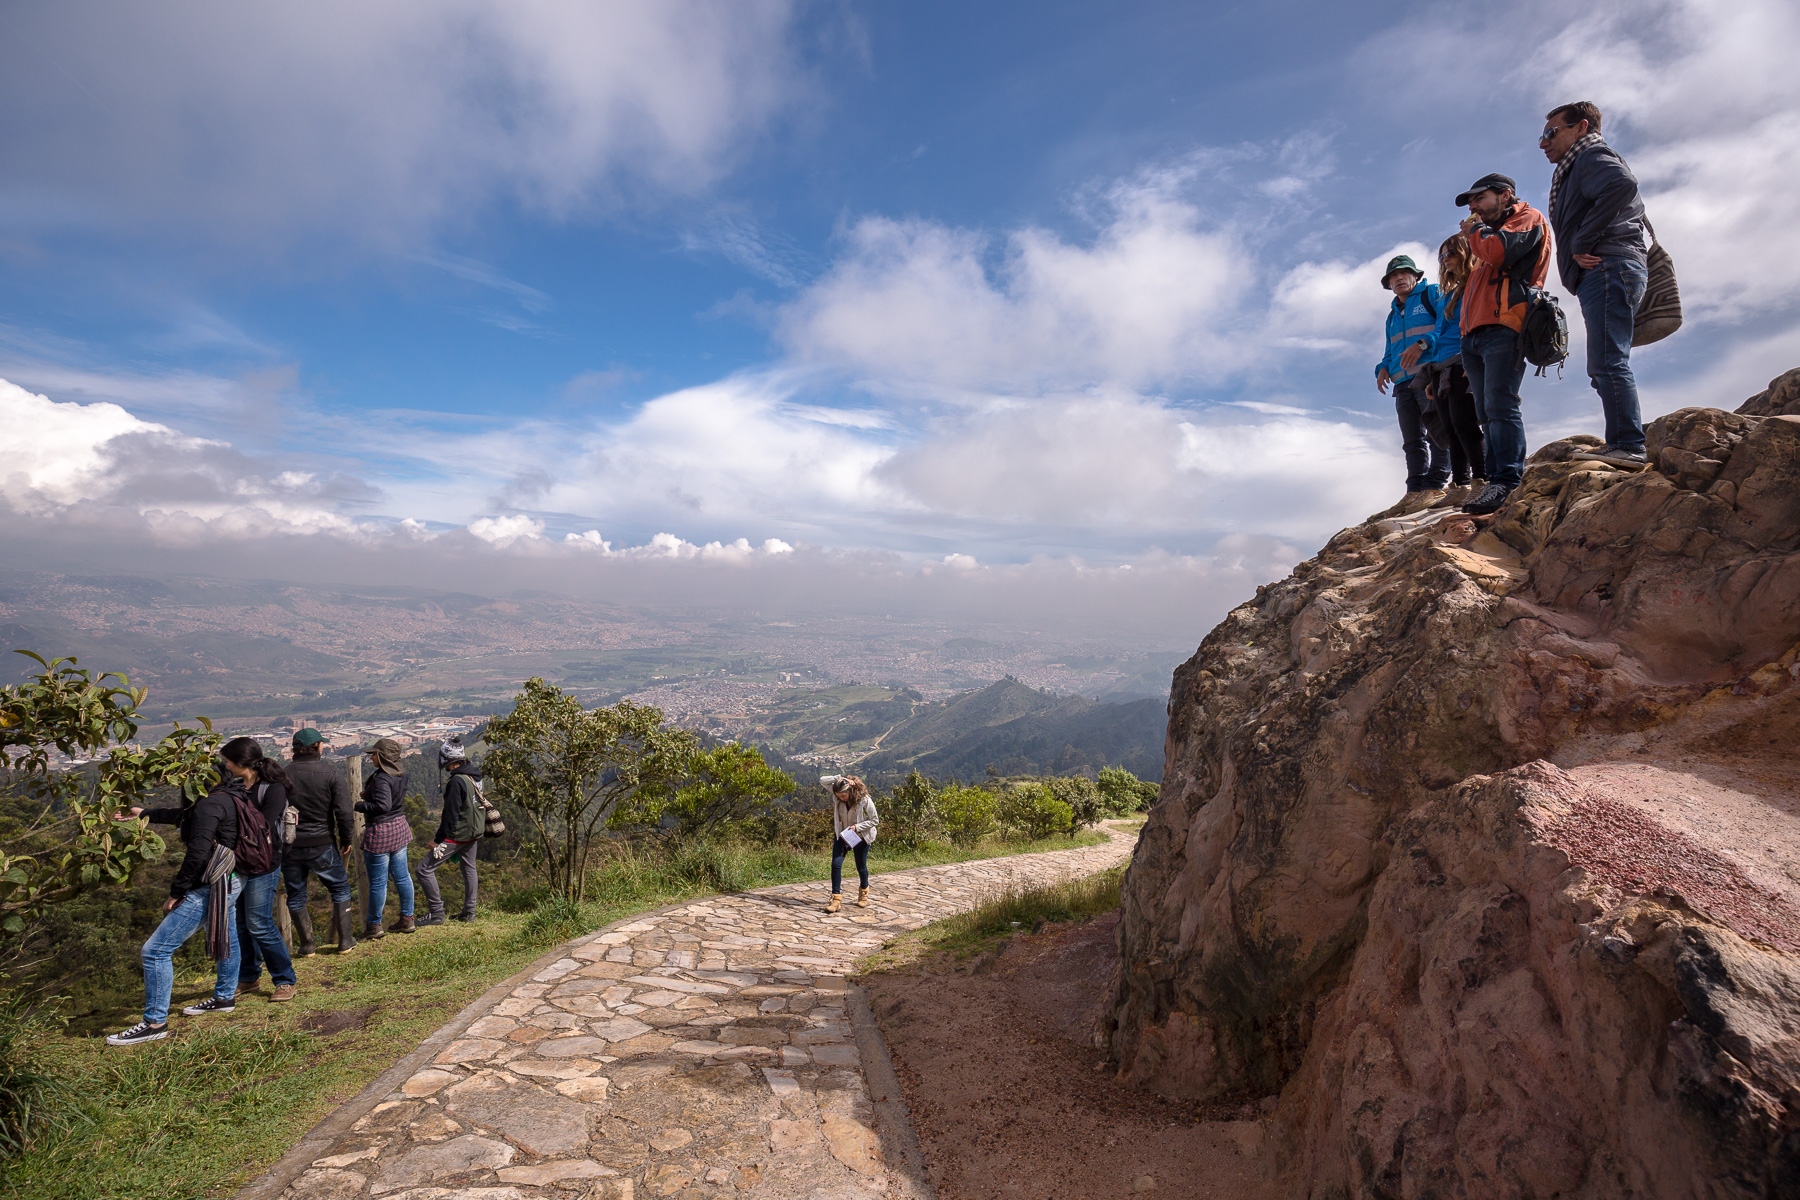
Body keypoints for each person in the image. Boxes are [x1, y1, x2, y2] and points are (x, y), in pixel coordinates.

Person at [1541, 101, 1651, 468]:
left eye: (1551, 132)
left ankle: (1629, 446)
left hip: (1608, 266)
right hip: (1611, 267)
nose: (1543, 142)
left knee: (1608, 362)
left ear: (1580, 127)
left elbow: (1622, 185)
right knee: (1606, 362)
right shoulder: (1581, 163)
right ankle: (1623, 441)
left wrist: (1582, 242)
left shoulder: (1590, 156)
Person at [106, 758, 244, 1045]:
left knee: (155, 951)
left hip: (209, 885)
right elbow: (185, 815)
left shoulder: (209, 804)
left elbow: (197, 852)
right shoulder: (229, 796)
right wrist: (145, 813)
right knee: (227, 934)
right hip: (230, 880)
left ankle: (154, 1023)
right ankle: (225, 996)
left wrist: (177, 892)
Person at [1453, 172, 1551, 515]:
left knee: (1500, 405)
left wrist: (1475, 232)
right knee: (1485, 411)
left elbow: (1498, 253)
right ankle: (1496, 478)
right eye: (1471, 203)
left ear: (1505, 195)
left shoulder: (1527, 218)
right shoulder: (1489, 232)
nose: (1474, 207)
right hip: (1474, 335)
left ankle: (1506, 481)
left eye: (1479, 199)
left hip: (1504, 327)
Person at [225, 737, 299, 1003]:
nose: (226, 766)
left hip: (263, 863)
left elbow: (263, 826)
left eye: (228, 761)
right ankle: (248, 977)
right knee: (242, 923)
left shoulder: (273, 789)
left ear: (241, 763)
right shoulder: (234, 787)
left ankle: (284, 979)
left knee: (259, 923)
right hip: (238, 862)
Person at [1374, 254, 1451, 514]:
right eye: (1393, 276)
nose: (1398, 278)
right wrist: (1382, 368)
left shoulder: (1432, 293)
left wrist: (1423, 344)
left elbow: (1446, 325)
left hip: (1429, 373)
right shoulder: (1392, 315)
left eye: (1403, 273)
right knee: (1411, 439)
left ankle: (1435, 482)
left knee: (1436, 430)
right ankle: (1415, 487)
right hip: (1401, 382)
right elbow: (1390, 349)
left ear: (1415, 276)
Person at [1417, 233, 1487, 504]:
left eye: (1452, 253)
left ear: (1466, 253)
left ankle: (1481, 480)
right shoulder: (1447, 295)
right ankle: (1459, 485)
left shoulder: (1475, 285)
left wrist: (1474, 362)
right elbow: (1439, 331)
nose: (1446, 260)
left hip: (1462, 361)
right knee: (1450, 428)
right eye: (1443, 255)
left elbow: (1473, 326)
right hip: (1441, 367)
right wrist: (1431, 375)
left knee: (1465, 424)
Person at [283, 727, 358, 954]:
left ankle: (307, 945)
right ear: (316, 746)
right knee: (340, 889)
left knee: (296, 895)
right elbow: (344, 812)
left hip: (290, 846)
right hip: (322, 843)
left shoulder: (282, 774)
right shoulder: (331, 773)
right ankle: (345, 941)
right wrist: (346, 840)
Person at [417, 736, 484, 926]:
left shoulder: (456, 782)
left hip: (458, 834)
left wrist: (438, 841)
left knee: (423, 869)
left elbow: (450, 815)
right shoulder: (475, 776)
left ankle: (437, 913)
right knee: (469, 868)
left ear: (447, 759)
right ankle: (469, 912)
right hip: (474, 832)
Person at [357, 737, 416, 938]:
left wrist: (359, 805)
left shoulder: (382, 778)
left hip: (381, 831)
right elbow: (390, 798)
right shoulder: (400, 774)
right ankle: (407, 919)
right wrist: (370, 794)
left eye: (374, 754)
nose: (371, 757)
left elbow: (383, 806)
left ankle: (374, 926)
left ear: (382, 757)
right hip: (399, 827)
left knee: (378, 883)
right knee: (402, 876)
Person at [819, 774, 879, 913]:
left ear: (850, 792)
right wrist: (841, 779)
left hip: (861, 836)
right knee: (836, 864)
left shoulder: (864, 799)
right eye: (838, 796)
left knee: (861, 866)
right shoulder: (838, 795)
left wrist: (857, 827)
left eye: (843, 796)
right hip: (843, 834)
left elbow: (875, 820)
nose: (841, 798)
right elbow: (822, 780)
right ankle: (836, 899)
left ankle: (864, 891)